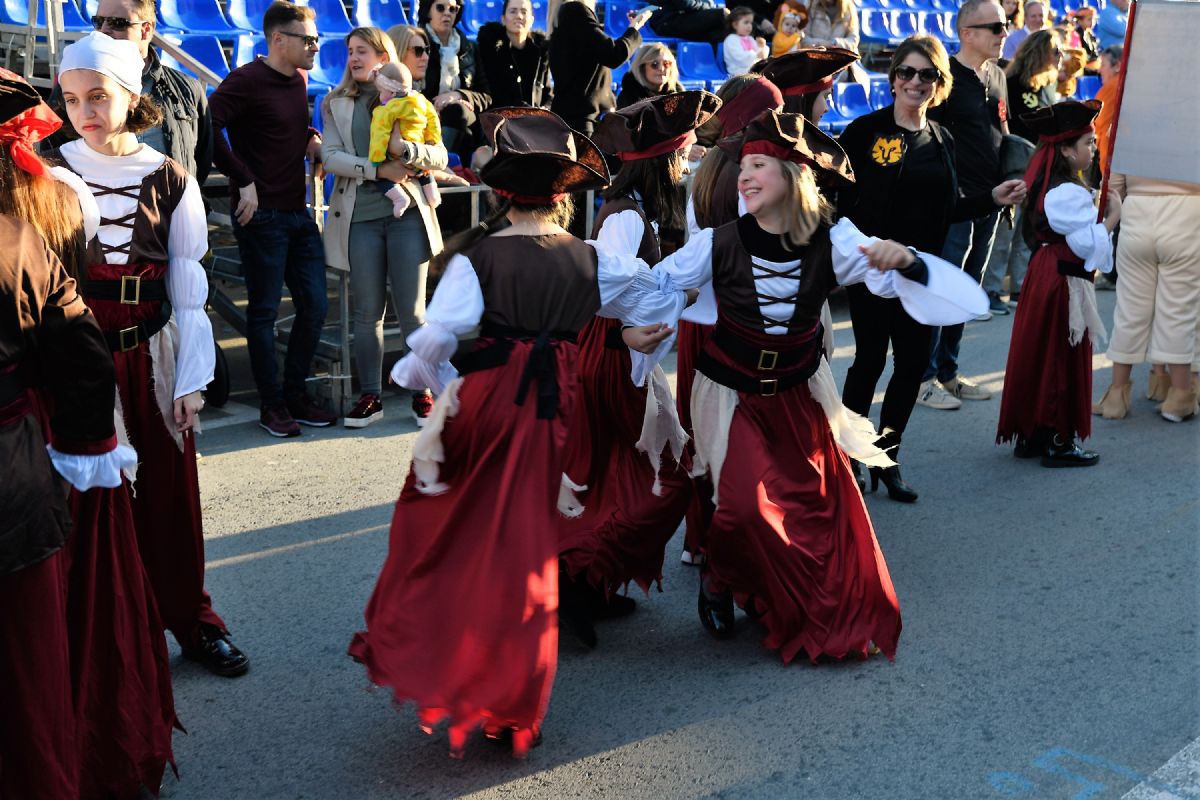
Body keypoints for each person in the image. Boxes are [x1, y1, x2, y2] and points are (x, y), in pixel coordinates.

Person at [348, 107, 691, 757]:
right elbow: (655, 300)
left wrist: (417, 375)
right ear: (562, 198)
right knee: (526, 544)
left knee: (453, 530)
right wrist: (636, 333)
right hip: (549, 407)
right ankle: (512, 698)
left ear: (501, 192)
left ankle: (453, 666)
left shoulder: (477, 257)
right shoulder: (590, 260)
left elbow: (433, 347)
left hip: (487, 402)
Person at [640, 109, 989, 658]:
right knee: (740, 508)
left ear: (793, 174)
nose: (745, 176)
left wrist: (909, 263)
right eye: (743, 166)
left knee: (807, 515)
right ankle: (719, 579)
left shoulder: (837, 240)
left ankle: (776, 592)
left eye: (759, 165)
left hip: (800, 397)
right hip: (731, 395)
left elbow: (946, 297)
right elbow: (656, 287)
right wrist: (638, 332)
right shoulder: (718, 243)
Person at [1, 68, 178, 799]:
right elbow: (75, 352)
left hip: (28, 432)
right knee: (24, 649)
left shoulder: (68, 202)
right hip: (19, 455)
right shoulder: (27, 228)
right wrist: (88, 450)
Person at [51, 32, 250, 679]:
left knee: (168, 496)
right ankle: (98, 635)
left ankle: (192, 621)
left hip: (150, 353)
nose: (85, 109)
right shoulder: (50, 174)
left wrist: (191, 380)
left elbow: (189, 285)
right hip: (77, 361)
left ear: (130, 95)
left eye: (99, 95)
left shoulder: (169, 176)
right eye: (73, 97)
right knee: (85, 505)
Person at [557, 91, 720, 648]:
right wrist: (676, 296)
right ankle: (573, 580)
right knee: (661, 481)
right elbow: (604, 292)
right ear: (664, 163)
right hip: (611, 356)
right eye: (684, 154)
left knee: (616, 478)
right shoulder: (625, 219)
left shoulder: (638, 212)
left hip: (622, 354)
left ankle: (588, 584)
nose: (689, 162)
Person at [837, 36, 1026, 502]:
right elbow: (837, 201)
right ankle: (850, 459)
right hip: (873, 269)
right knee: (868, 362)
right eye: (906, 72)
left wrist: (990, 199)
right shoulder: (864, 131)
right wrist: (863, 245)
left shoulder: (942, 138)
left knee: (914, 366)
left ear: (939, 84)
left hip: (920, 271)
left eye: (927, 75)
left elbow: (948, 211)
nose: (915, 82)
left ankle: (887, 458)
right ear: (893, 76)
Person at [210, 1, 334, 437]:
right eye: (309, 39)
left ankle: (295, 393)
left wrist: (312, 137)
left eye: (317, 39)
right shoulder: (245, 80)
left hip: (297, 213)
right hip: (261, 216)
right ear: (278, 39)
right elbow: (208, 128)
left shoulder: (299, 79)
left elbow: (287, 126)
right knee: (263, 313)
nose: (316, 47)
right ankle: (273, 404)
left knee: (315, 306)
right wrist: (241, 177)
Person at [323, 28, 447, 429]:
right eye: (349, 52)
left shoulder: (413, 99)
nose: (353, 58)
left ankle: (422, 392)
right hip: (359, 216)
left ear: (382, 57)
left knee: (412, 313)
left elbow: (440, 153)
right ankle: (370, 396)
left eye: (362, 51)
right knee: (366, 313)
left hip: (407, 215)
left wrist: (407, 153)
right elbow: (330, 155)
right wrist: (375, 169)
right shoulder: (335, 101)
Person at [997, 100, 1118, 463]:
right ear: (1066, 150)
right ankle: (1058, 440)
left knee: (1040, 350)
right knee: (1059, 355)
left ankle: (1033, 434)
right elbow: (1085, 245)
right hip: (1061, 279)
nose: (1093, 149)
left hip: (1047, 272)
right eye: (1088, 143)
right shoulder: (1066, 191)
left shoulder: (1055, 185)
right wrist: (1112, 218)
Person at [917, 0, 1011, 411]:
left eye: (1005, 25)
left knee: (967, 291)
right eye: (994, 27)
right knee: (943, 289)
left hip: (990, 198)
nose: (1002, 33)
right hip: (954, 203)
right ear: (967, 33)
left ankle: (948, 373)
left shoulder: (997, 75)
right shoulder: (945, 78)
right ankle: (921, 379)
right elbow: (922, 133)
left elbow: (1001, 132)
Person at [44, 0, 212, 186]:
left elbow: (202, 157)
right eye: (98, 22)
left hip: (168, 207)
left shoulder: (186, 88)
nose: (104, 30)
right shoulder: (71, 88)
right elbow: (52, 152)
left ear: (146, 29)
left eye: (117, 23)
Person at [1094, 173, 1200, 422]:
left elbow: (1114, 187)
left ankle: (1116, 397)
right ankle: (1179, 396)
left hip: (1137, 212)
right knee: (1177, 311)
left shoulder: (1130, 132)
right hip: (1188, 211)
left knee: (1130, 310)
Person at [981, 28, 1060, 315]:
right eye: (1055, 51)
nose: (1060, 57)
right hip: (1014, 165)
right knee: (1006, 232)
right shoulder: (1013, 82)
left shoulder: (1046, 85)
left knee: (1026, 230)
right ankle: (990, 289)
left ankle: (1019, 287)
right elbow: (1007, 125)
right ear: (1040, 52)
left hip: (1037, 165)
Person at [549, 0, 649, 136]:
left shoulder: (565, 15)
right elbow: (613, 55)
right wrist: (634, 28)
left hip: (575, 118)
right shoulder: (575, 10)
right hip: (581, 121)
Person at [417, 0, 493, 158]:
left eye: (453, 9)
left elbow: (485, 96)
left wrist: (458, 95)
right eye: (440, 7)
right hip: (427, 113)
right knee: (466, 133)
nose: (447, 12)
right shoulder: (417, 44)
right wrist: (433, 106)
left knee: (457, 111)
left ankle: (439, 162)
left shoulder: (470, 48)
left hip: (463, 111)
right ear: (427, 11)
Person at [369, 62, 442, 216]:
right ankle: (433, 195)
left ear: (392, 92)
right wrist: (432, 139)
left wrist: (377, 158)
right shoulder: (421, 100)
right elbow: (433, 119)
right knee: (424, 173)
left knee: (381, 180)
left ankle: (399, 198)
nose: (380, 95)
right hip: (419, 153)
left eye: (381, 91)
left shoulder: (385, 110)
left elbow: (379, 134)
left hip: (397, 159)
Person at [476, 0, 551, 109]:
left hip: (537, 120)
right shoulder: (491, 50)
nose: (519, 16)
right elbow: (493, 94)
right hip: (503, 119)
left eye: (524, 12)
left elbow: (547, 94)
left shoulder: (541, 52)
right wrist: (526, 110)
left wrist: (546, 109)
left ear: (532, 20)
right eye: (513, 11)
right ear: (503, 19)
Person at [617, 43, 684, 109]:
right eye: (655, 64)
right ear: (642, 68)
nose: (661, 68)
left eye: (666, 64)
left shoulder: (680, 94)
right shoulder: (628, 98)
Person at [646, 0, 729, 46]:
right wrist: (708, 5)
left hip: (679, 17)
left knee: (717, 32)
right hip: (666, 21)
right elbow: (685, 3)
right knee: (722, 15)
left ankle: (709, 66)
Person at [1093, 44, 1121, 172]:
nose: (1099, 70)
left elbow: (1099, 125)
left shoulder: (1111, 88)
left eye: (1103, 65)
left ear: (1117, 66)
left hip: (1110, 157)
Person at [724, 7, 770, 77]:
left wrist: (762, 47)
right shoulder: (731, 39)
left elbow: (759, 53)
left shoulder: (750, 38)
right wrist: (757, 54)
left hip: (750, 68)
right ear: (735, 25)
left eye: (751, 23)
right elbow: (740, 58)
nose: (749, 26)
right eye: (746, 22)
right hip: (738, 72)